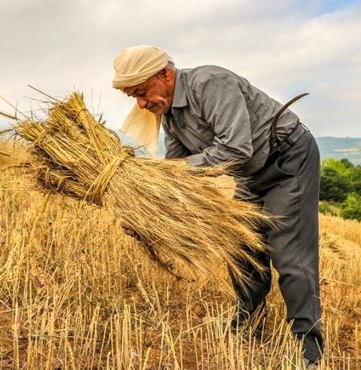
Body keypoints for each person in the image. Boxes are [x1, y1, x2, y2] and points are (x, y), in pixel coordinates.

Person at [112, 45, 323, 367]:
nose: (141, 103)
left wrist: (175, 170)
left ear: (165, 74)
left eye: (142, 92)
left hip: (286, 160)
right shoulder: (171, 116)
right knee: (243, 249)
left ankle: (309, 348)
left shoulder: (210, 83)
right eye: (134, 98)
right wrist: (147, 205)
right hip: (248, 172)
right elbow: (179, 171)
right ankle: (247, 322)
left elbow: (235, 148)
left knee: (290, 254)